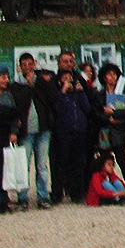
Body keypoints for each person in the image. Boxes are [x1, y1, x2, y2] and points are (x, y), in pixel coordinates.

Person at [9, 53, 56, 209]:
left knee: (42, 165)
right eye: (24, 65)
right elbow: (19, 103)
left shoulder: (42, 81)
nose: (27, 68)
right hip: (26, 131)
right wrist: (29, 86)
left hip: (42, 129)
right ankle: (23, 197)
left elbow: (52, 99)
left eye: (30, 64)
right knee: (24, 165)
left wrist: (45, 84)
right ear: (20, 66)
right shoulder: (15, 85)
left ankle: (43, 196)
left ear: (35, 64)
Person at [50, 58, 97, 206]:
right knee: (63, 163)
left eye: (70, 79)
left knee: (79, 163)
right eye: (65, 80)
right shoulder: (59, 95)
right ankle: (60, 191)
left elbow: (87, 108)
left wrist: (81, 92)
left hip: (79, 131)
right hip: (64, 132)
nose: (68, 82)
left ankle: (78, 192)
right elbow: (58, 110)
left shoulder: (78, 94)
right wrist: (63, 92)